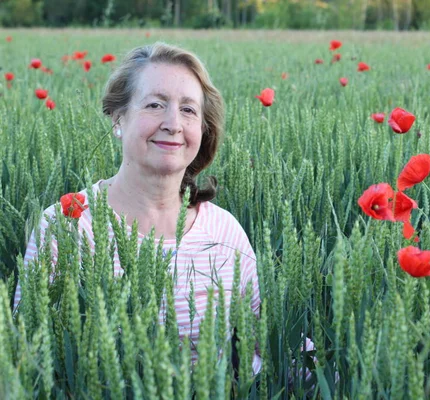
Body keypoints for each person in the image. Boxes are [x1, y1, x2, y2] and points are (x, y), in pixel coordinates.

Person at [13, 42, 261, 373]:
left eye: (188, 110)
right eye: (155, 105)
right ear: (118, 118)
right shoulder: (66, 227)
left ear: (202, 129)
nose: (173, 123)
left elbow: (263, 340)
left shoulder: (225, 232)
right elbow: (26, 357)